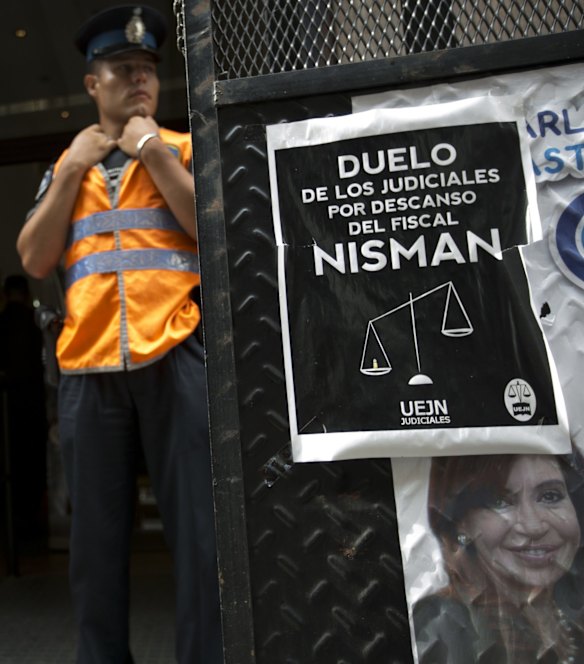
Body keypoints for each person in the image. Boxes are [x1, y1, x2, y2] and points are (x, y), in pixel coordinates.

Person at [16, 6, 222, 663]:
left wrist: (155, 151)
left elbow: (210, 232)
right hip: (88, 370)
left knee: (199, 538)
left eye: (148, 71)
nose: (140, 80)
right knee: (94, 549)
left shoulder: (184, 150)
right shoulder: (65, 169)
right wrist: (74, 167)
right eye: (123, 69)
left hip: (175, 356)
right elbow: (35, 259)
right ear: (91, 84)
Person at [413, 452, 584, 664]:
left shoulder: (568, 616)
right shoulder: (445, 623)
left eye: (550, 496)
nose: (533, 527)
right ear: (461, 522)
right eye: (500, 501)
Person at [0, 275, 47, 540]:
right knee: (34, 467)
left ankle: (12, 529)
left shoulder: (2, 323)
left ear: (5, 294)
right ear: (27, 294)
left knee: (10, 467)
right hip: (33, 403)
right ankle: (33, 526)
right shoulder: (36, 324)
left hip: (6, 407)